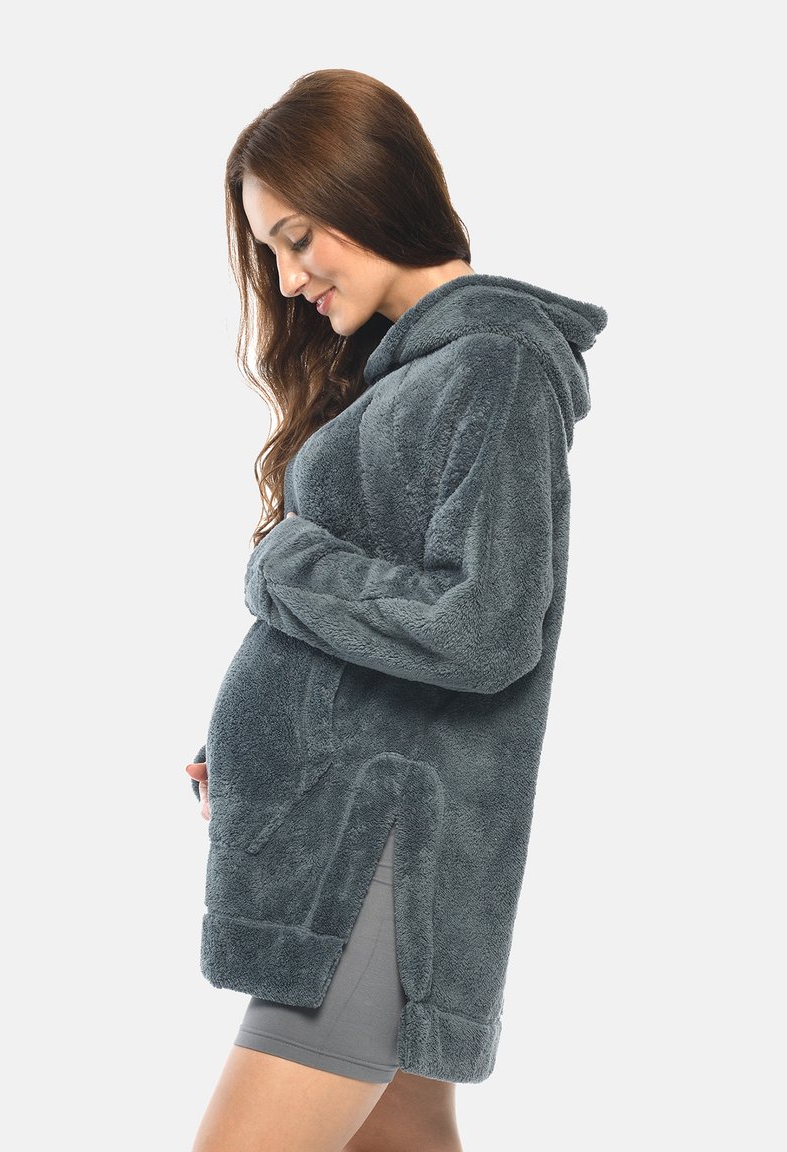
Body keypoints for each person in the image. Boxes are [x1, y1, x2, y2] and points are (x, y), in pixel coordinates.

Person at [184, 68, 607, 1152]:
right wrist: (256, 742)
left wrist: (286, 566)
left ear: (368, 191)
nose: (287, 280)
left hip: (375, 858)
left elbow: (484, 628)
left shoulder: (494, 365)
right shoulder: (409, 372)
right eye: (270, 253)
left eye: (297, 238)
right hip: (347, 834)